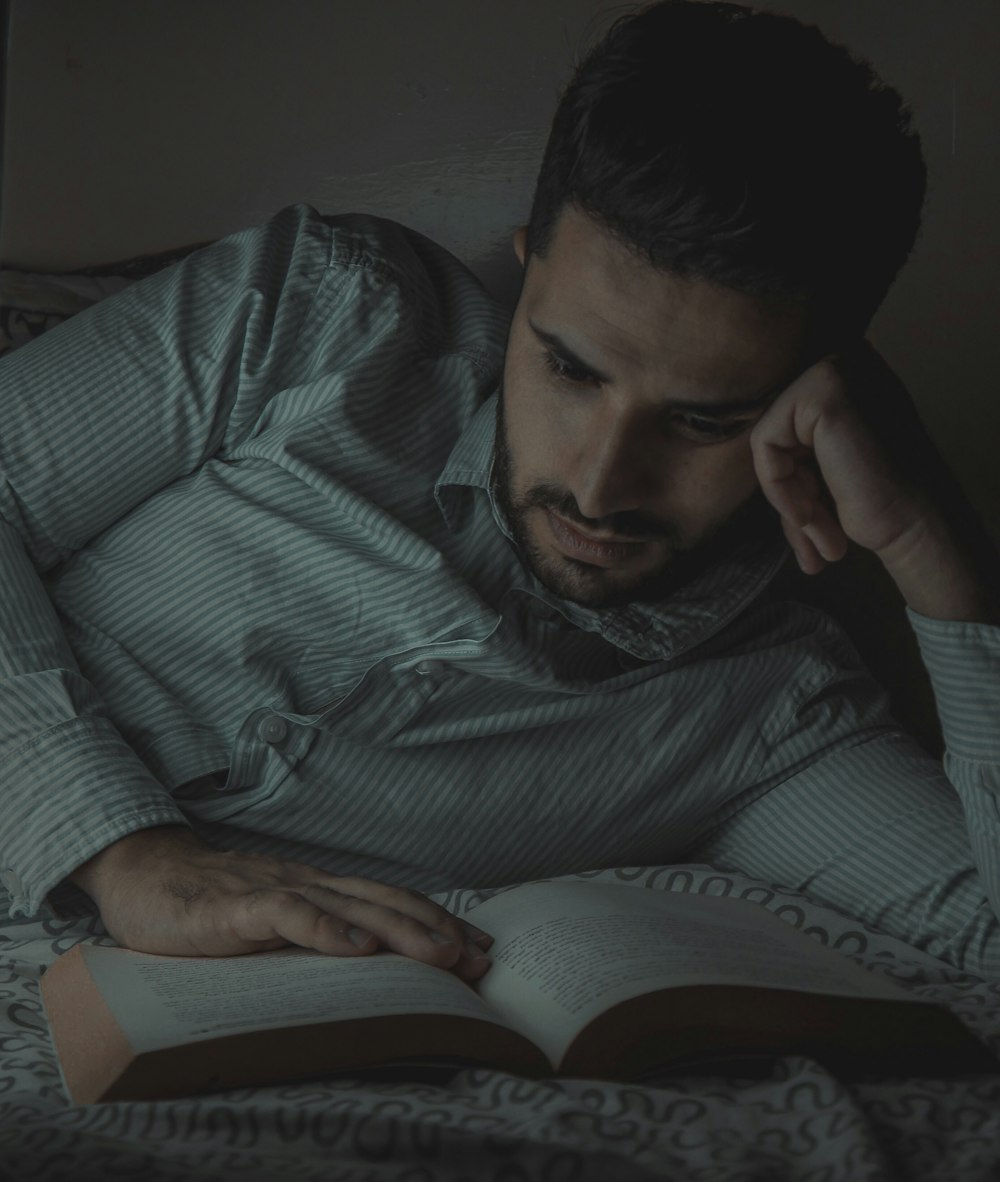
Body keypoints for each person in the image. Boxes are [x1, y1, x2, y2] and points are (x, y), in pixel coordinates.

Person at [1, 1, 997, 987]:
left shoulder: (769, 718)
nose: (599, 486)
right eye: (569, 368)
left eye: (703, 422)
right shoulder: (326, 311)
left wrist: (935, 550)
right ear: (529, 276)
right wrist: (128, 855)